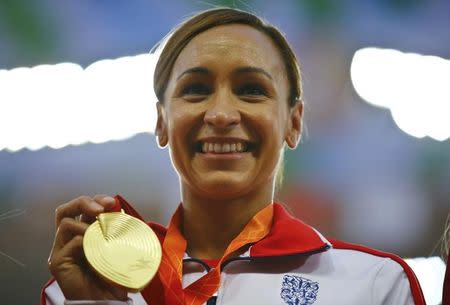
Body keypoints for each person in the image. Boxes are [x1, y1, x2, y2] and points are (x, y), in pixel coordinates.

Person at [41, 7, 426, 305]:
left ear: (293, 123)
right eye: (195, 89)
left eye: (251, 90)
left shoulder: (375, 283)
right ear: (161, 122)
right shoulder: (86, 284)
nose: (221, 114)